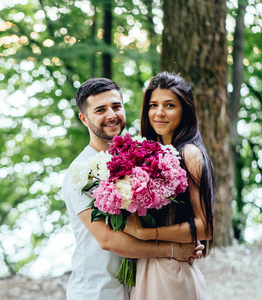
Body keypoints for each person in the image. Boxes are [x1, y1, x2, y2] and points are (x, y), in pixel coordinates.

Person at [62, 77, 204, 300]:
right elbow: (108, 240)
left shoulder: (137, 157)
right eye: (100, 110)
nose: (111, 115)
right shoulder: (80, 172)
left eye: (116, 106)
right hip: (97, 291)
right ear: (84, 118)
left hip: (138, 288)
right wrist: (174, 250)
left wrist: (187, 238)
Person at [123, 71, 214, 300]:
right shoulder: (147, 154)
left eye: (170, 105)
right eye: (153, 105)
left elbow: (205, 228)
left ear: (185, 110)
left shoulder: (190, 154)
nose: (159, 113)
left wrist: (145, 234)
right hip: (145, 266)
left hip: (171, 270)